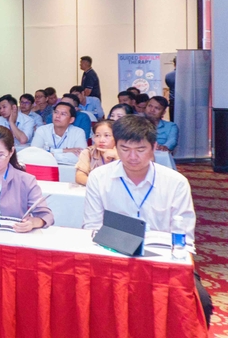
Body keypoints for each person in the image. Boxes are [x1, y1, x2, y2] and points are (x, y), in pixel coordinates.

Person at [82, 115, 211, 326]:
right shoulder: (99, 177)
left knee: (200, 302)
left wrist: (174, 262)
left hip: (163, 260)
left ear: (153, 147)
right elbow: (92, 227)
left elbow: (185, 236)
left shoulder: (175, 182)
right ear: (116, 146)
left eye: (140, 149)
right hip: (113, 256)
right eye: (125, 149)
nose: (132, 157)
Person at [75, 119, 118, 185]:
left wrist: (117, 156)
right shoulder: (88, 152)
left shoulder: (124, 153)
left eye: (107, 135)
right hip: (95, 188)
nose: (101, 140)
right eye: (97, 135)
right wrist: (99, 185)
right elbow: (79, 176)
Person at [145, 96, 178, 164]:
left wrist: (164, 147)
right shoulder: (136, 124)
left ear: (163, 112)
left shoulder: (171, 126)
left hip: (161, 157)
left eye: (157, 108)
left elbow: (172, 141)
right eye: (150, 106)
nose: (152, 110)